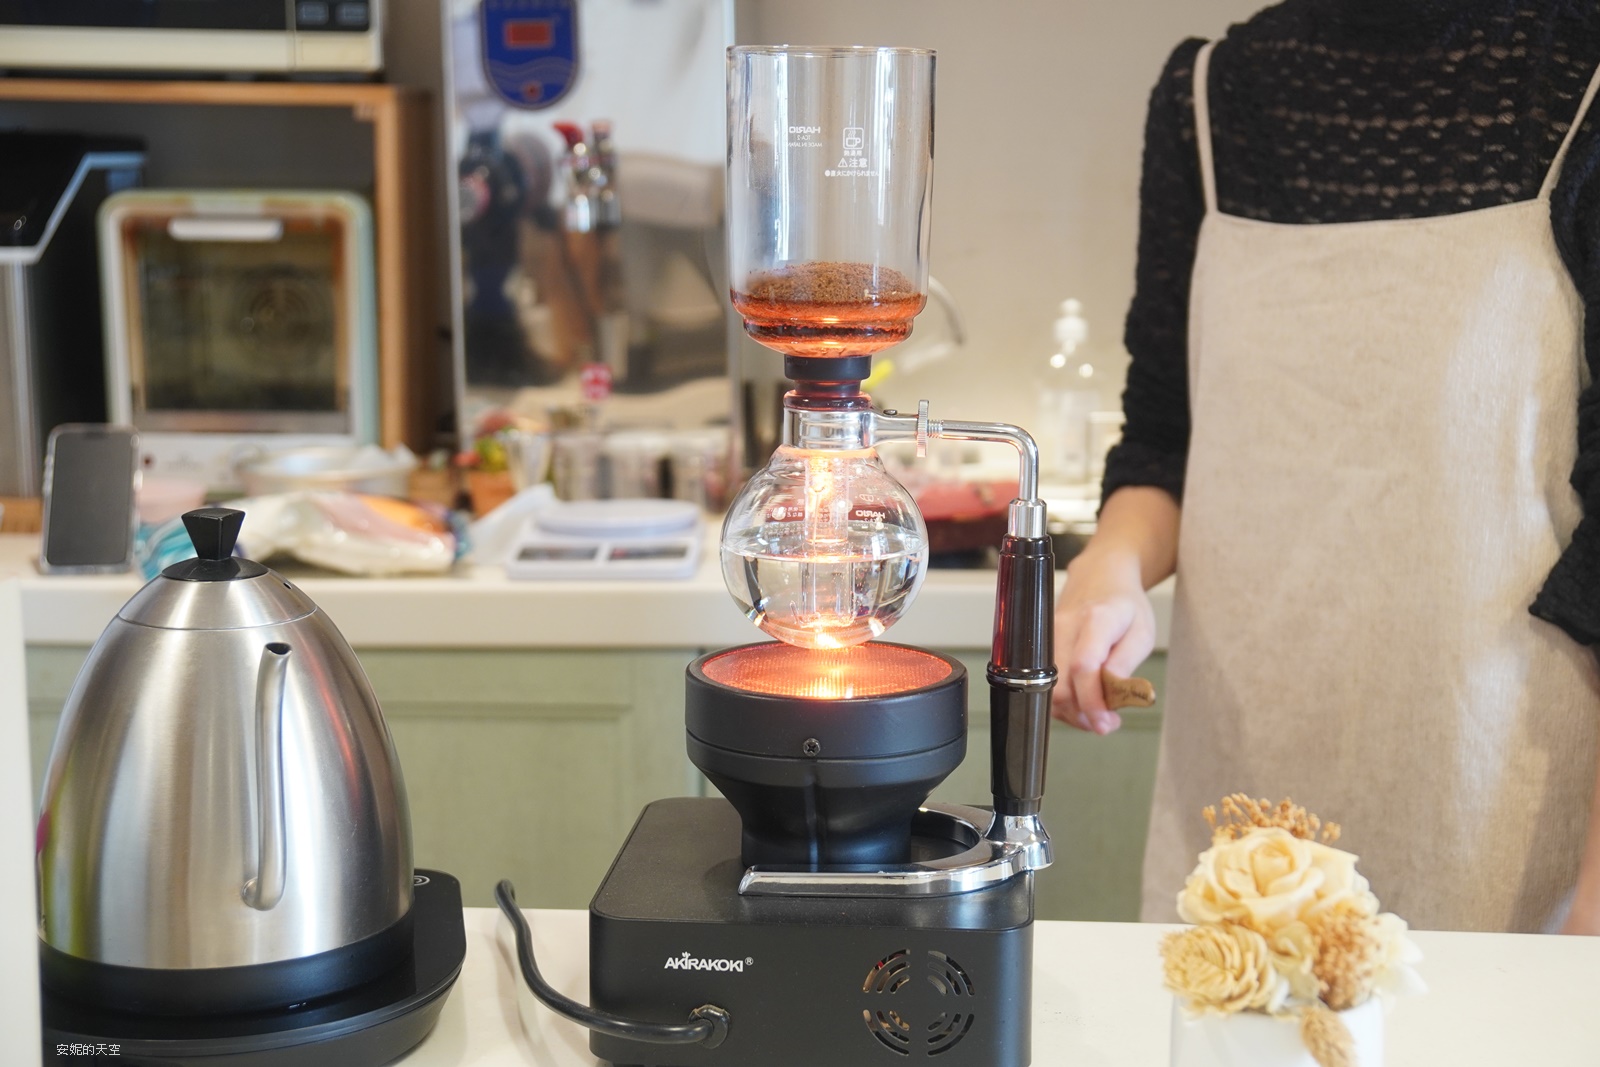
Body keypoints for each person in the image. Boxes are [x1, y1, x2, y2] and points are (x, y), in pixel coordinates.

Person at [1052, 0, 1600, 934]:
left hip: (1500, 801)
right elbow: (1163, 440)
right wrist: (1111, 566)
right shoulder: (1208, 97)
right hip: (1246, 791)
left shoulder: (1579, 79)